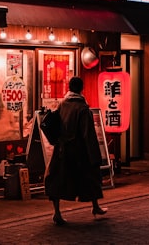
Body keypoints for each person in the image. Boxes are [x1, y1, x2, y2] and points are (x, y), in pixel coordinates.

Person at [45, 76, 106, 225]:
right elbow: (88, 134)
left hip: (61, 150)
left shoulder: (63, 104)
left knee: (57, 180)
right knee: (90, 177)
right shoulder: (83, 108)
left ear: (69, 88)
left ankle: (57, 212)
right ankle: (95, 206)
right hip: (79, 151)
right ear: (81, 88)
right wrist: (95, 155)